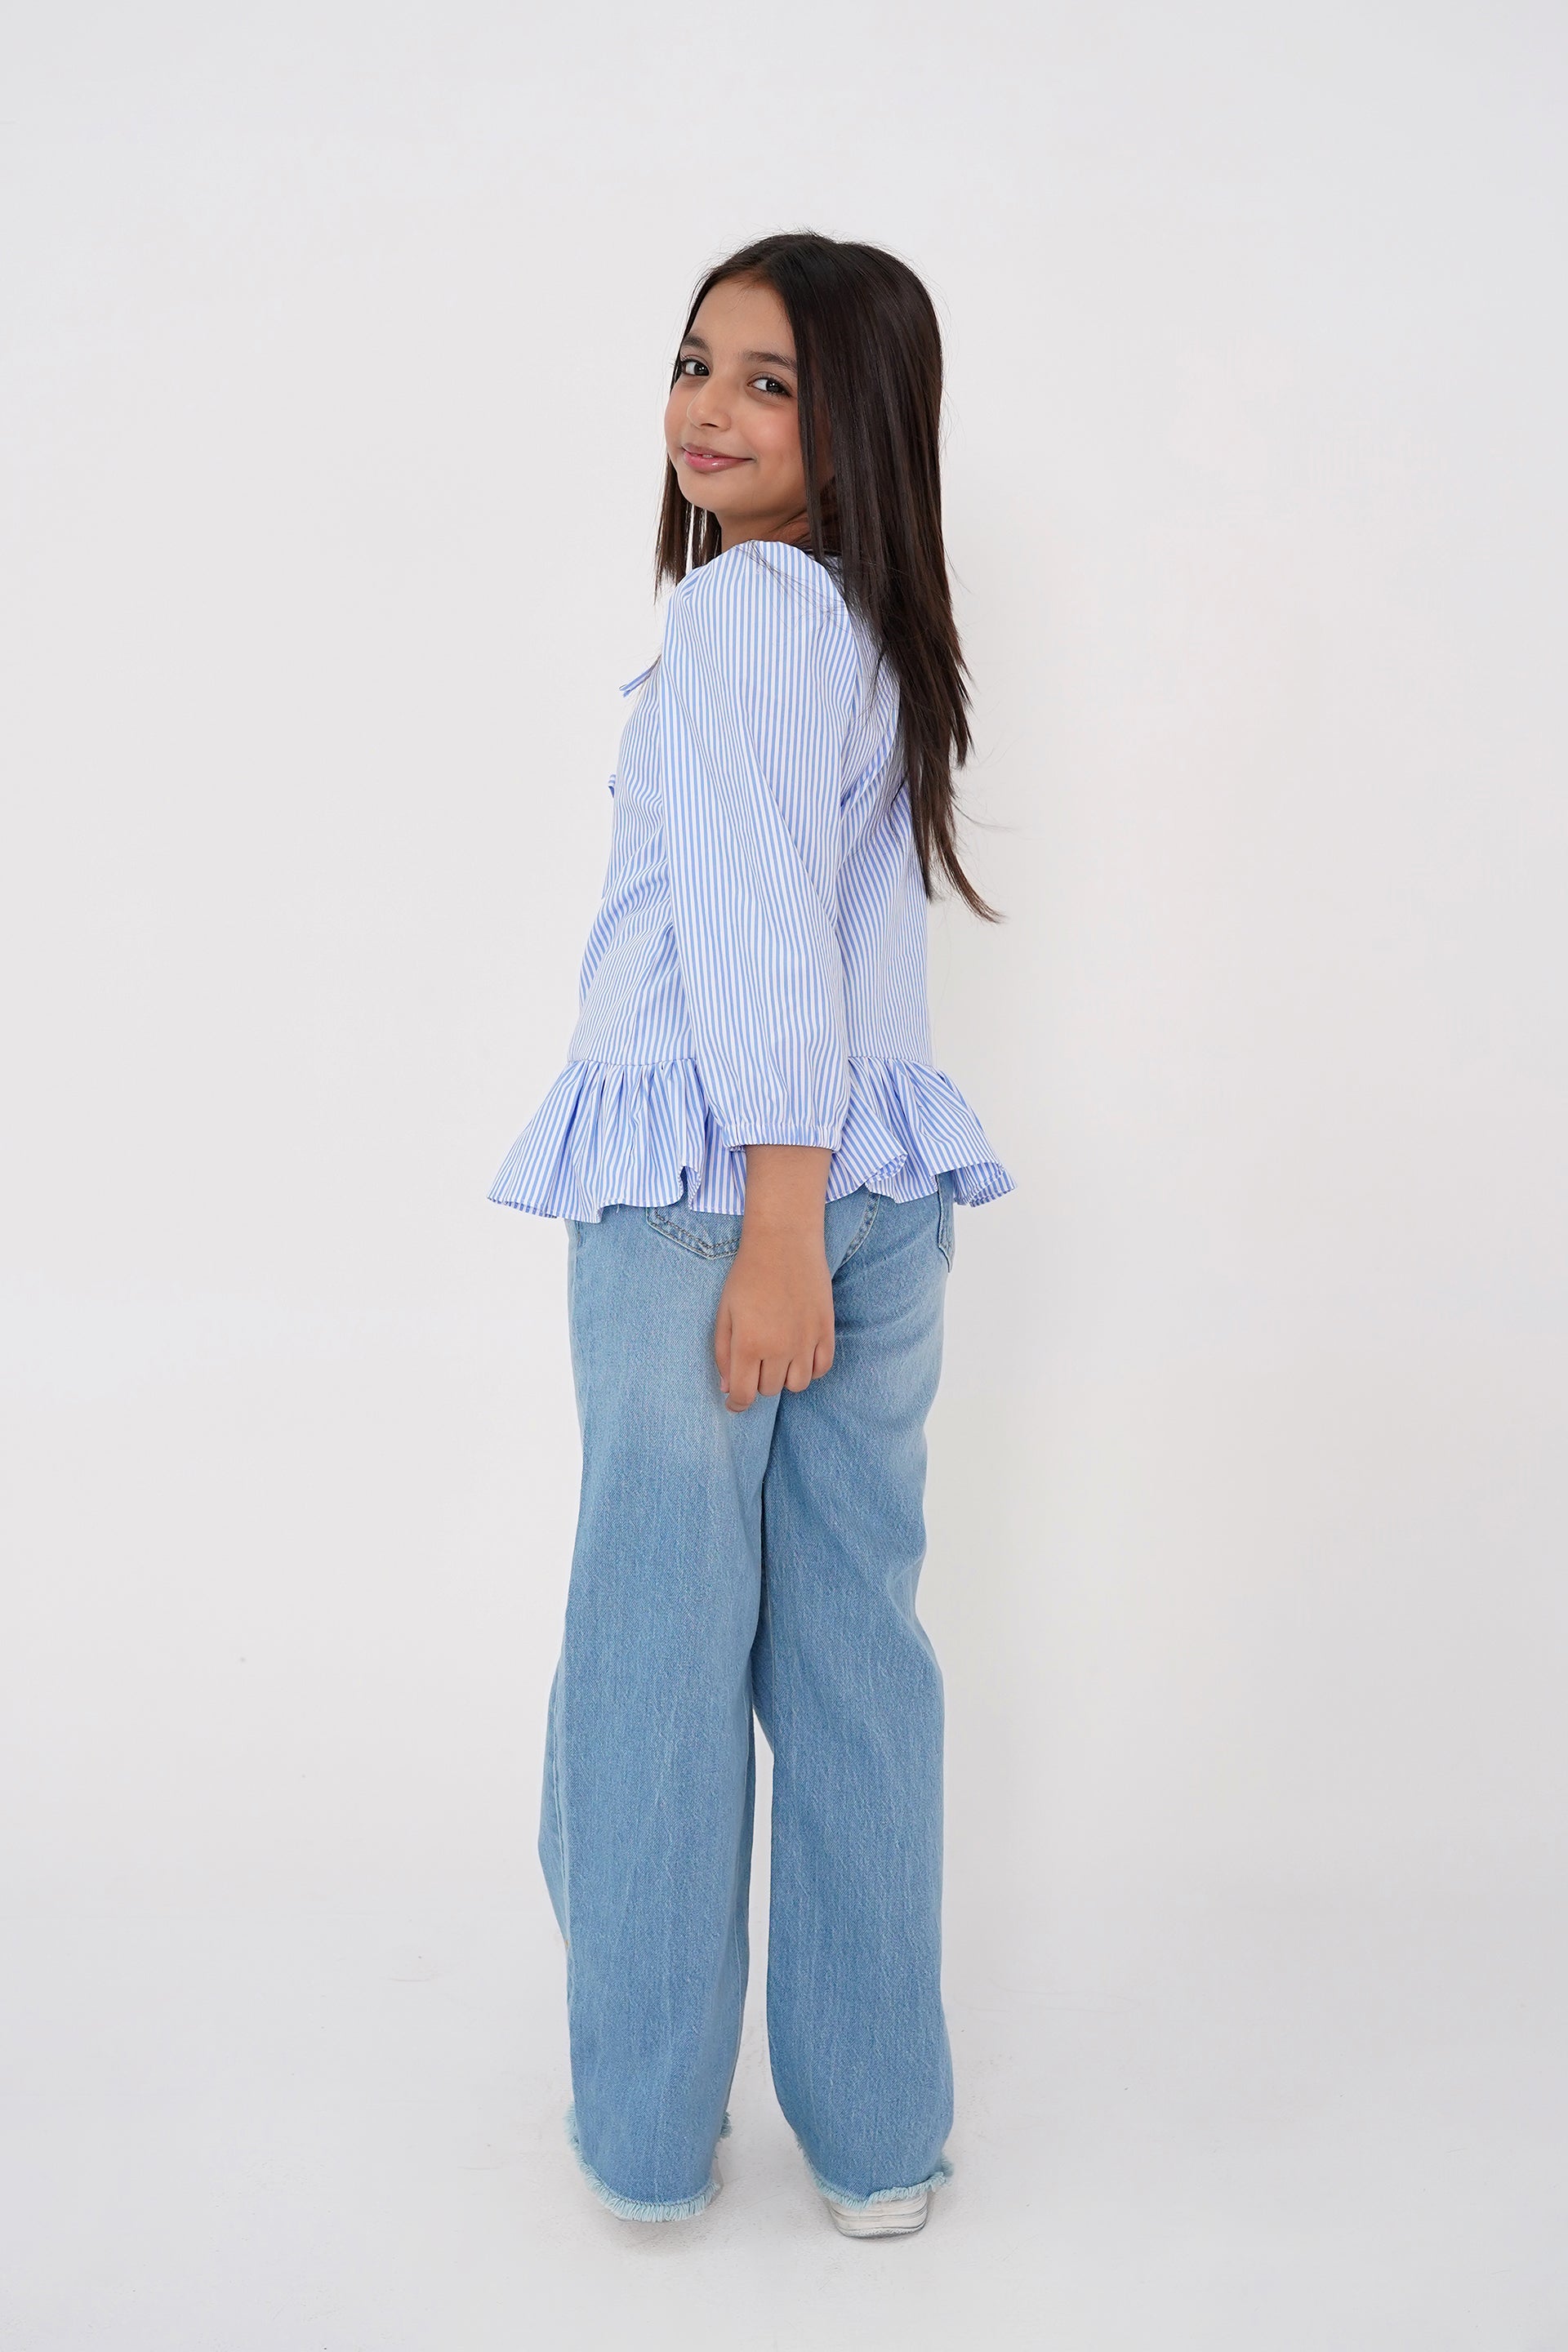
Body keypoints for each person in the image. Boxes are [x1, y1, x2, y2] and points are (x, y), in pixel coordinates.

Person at [489, 231, 1013, 2238]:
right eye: (695, 362)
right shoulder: (870, 629)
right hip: (878, 1200)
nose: (707, 408)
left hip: (723, 1213)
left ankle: (644, 2139)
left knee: (654, 1659)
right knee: (859, 1656)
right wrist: (819, 1214)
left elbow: (759, 937)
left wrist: (773, 1225)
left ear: (854, 423)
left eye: (769, 382)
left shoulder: (736, 619)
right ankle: (879, 2140)